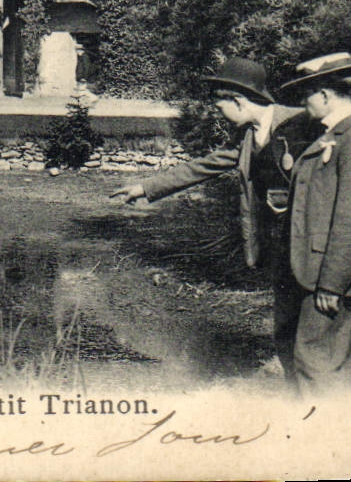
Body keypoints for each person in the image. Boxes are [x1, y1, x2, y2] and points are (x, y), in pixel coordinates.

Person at [110, 57, 311, 378]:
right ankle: (296, 394)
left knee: (315, 331)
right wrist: (147, 187)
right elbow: (206, 165)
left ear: (238, 101)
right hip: (280, 245)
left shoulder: (303, 124)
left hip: (312, 243)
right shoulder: (248, 136)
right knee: (286, 326)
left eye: (220, 106)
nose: (219, 114)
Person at [275, 52, 351, 397]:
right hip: (317, 273)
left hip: (333, 280)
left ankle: (326, 442)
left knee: (318, 364)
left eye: (307, 94)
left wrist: (332, 283)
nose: (304, 103)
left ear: (326, 96)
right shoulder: (336, 136)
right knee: (326, 362)